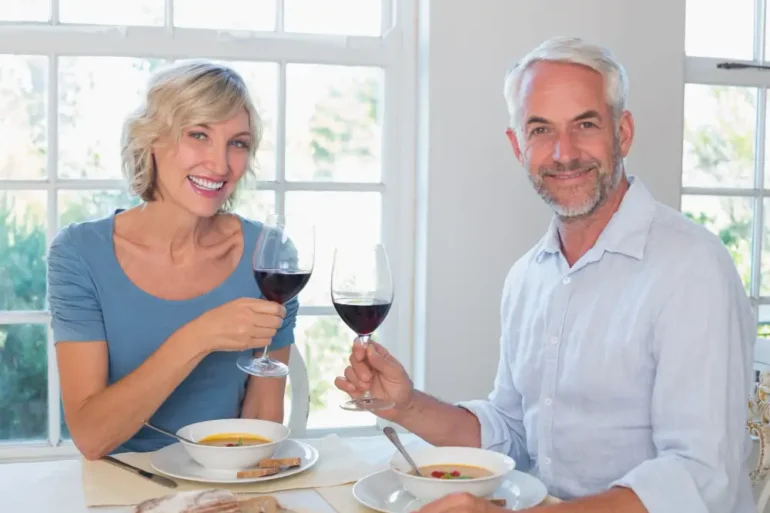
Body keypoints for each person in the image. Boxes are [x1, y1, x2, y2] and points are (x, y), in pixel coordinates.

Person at [336, 37, 757, 512]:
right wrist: (405, 404)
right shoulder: (527, 278)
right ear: (518, 145)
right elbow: (512, 432)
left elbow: (698, 476)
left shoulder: (693, 268)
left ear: (623, 132)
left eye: (585, 124)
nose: (563, 152)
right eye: (540, 130)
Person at [46, 60, 297, 459]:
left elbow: (263, 415)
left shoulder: (267, 254)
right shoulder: (80, 253)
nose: (220, 164)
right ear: (150, 141)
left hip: (224, 481)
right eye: (198, 134)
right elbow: (92, 438)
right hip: (120, 485)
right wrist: (199, 336)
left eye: (238, 143)